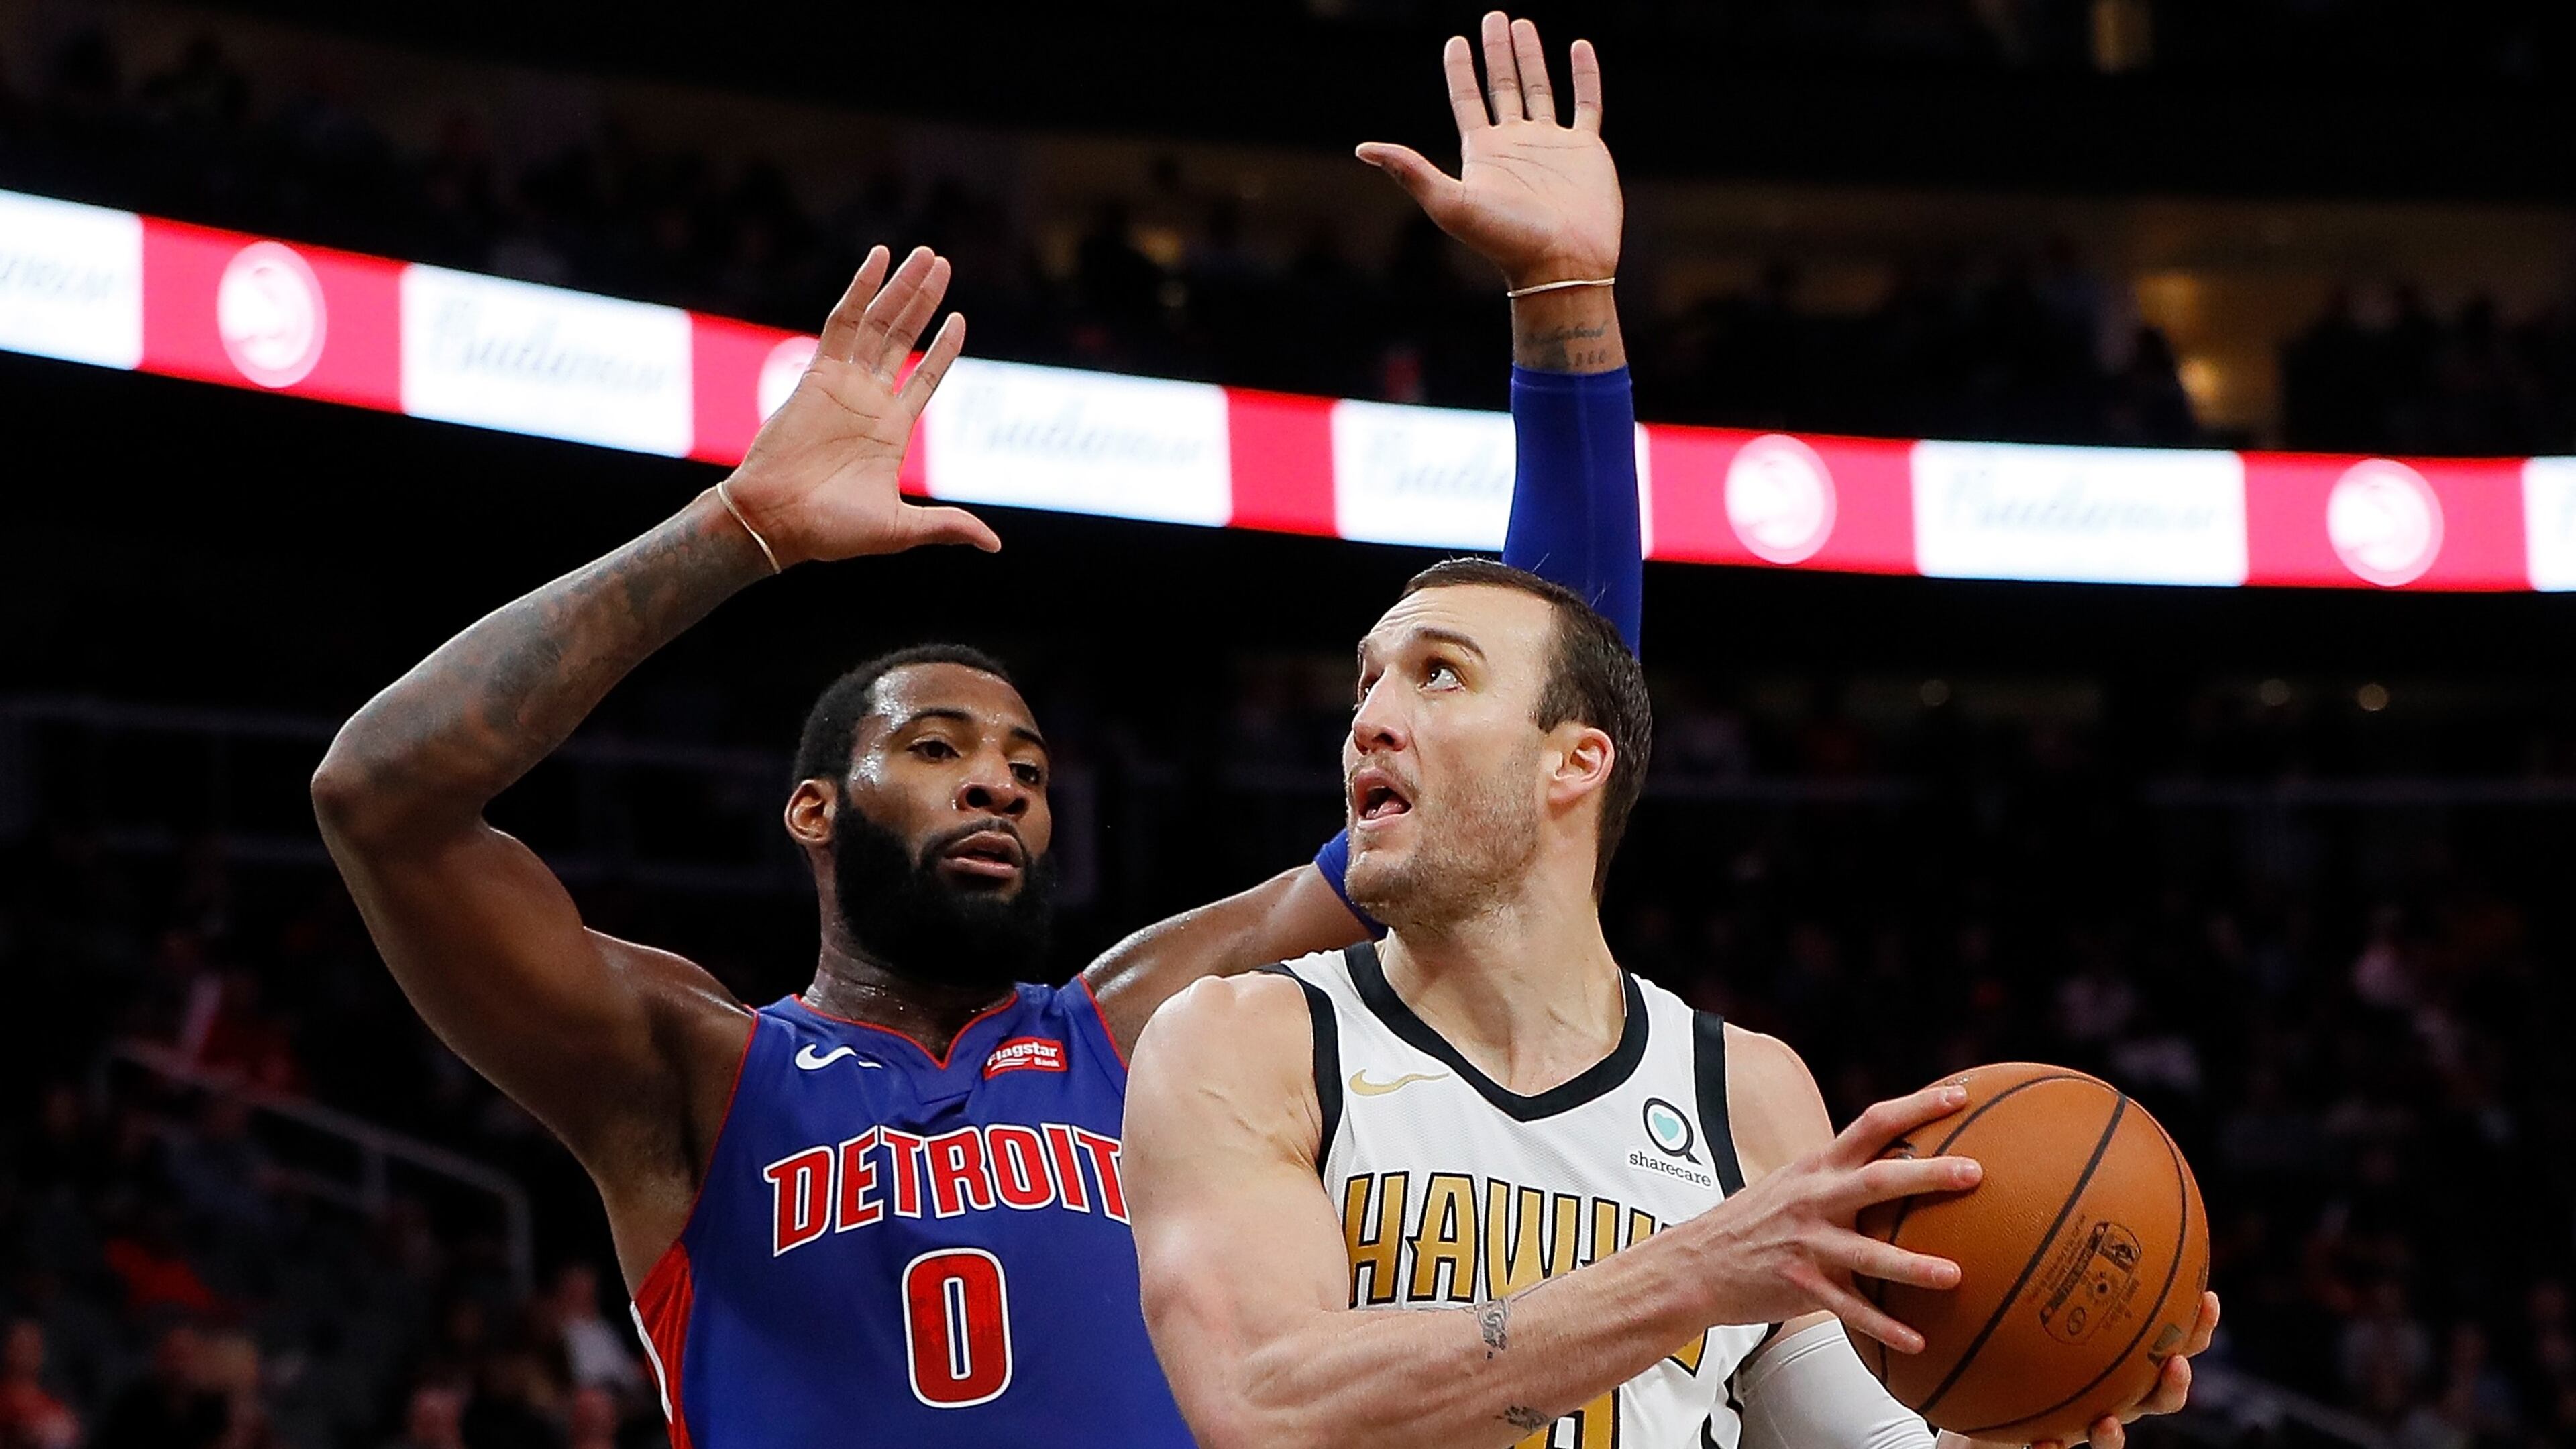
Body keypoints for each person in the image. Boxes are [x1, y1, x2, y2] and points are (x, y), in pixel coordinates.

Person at [309, 11, 1645, 1442]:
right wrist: (735, 529)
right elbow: (380, 797)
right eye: (937, 750)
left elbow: (1544, 731)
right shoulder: (687, 1071)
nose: (997, 786)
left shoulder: (1143, 1035)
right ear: (815, 808)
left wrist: (1564, 300)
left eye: (1025, 766)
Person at [1120, 23, 2221, 1449]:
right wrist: (1696, 1267)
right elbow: (1268, 1405)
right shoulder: (1249, 1039)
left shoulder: (1745, 1095)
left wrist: (2030, 1424)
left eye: (1439, 676)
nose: (1372, 716)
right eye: (1363, 685)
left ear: (1577, 762)